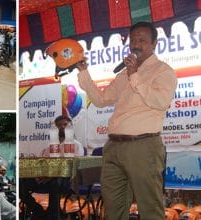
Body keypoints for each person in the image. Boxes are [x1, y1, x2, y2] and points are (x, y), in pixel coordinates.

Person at [76, 21, 177, 219]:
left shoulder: (163, 71)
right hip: (114, 147)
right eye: (133, 40)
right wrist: (83, 72)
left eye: (142, 40)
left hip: (143, 146)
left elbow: (160, 101)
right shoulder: (124, 74)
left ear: (154, 44)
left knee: (149, 208)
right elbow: (101, 100)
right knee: (113, 209)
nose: (136, 45)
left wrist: (135, 76)